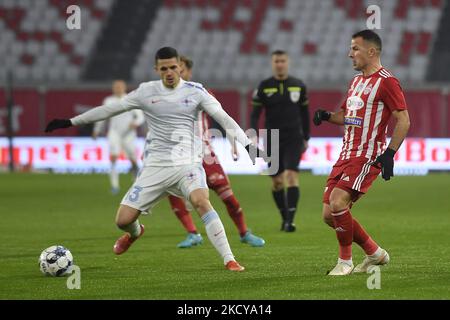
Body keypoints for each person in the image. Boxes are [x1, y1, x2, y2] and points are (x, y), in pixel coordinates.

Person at [45, 47, 264, 272]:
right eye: (164, 68)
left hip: (187, 162)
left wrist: (248, 145)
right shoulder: (146, 92)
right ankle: (136, 232)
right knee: (123, 221)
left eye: (173, 67)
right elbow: (109, 110)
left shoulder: (196, 91)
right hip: (155, 166)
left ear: (180, 66)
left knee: (201, 201)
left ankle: (229, 259)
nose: (169, 72)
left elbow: (224, 118)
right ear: (156, 69)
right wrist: (71, 122)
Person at [313, 30, 410, 276]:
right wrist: (327, 116)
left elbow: (403, 120)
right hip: (345, 154)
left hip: (367, 156)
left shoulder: (387, 81)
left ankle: (344, 262)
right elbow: (347, 117)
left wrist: (389, 154)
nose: (349, 54)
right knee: (329, 215)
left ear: (371, 51)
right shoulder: (356, 82)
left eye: (354, 48)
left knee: (337, 202)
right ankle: (374, 252)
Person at [167, 55, 265, 248]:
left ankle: (244, 232)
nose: (177, 72)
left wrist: (234, 144)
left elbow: (223, 119)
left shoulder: (201, 92)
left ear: (188, 71)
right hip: (178, 156)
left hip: (205, 155)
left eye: (181, 68)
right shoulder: (164, 97)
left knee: (228, 196)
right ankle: (192, 233)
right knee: (175, 195)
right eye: (174, 68)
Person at [251, 50, 310, 232]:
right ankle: (285, 218)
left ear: (288, 62)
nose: (279, 64)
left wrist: (306, 137)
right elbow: (255, 115)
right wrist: (252, 135)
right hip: (272, 138)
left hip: (293, 137)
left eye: (282, 60)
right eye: (276, 61)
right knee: (277, 182)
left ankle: (290, 221)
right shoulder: (264, 86)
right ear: (272, 63)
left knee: (291, 176)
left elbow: (305, 114)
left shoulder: (298, 85)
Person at [92, 80, 144, 194]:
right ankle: (114, 186)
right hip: (114, 133)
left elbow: (140, 117)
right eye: (116, 87)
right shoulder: (108, 100)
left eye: (120, 86)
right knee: (113, 158)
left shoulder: (130, 99)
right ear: (113, 88)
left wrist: (136, 122)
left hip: (129, 134)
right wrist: (97, 130)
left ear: (124, 87)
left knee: (133, 160)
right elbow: (102, 116)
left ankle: (136, 181)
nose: (118, 88)